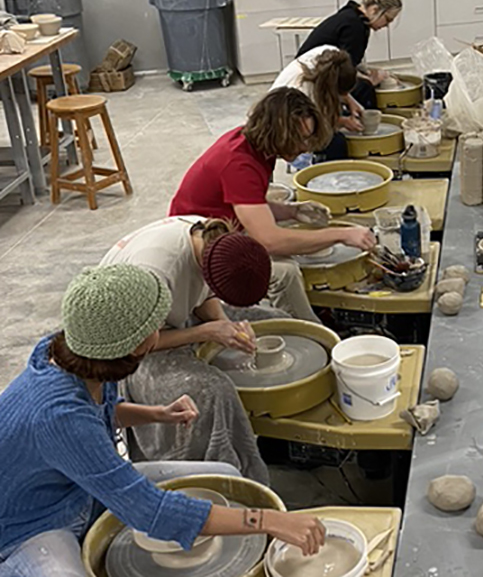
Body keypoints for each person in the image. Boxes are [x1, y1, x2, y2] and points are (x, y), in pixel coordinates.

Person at [0, 264, 326, 575]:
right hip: (32, 523)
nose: (161, 330)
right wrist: (267, 520)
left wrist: (157, 414)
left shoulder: (79, 354)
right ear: (128, 345)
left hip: (78, 489)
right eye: (154, 325)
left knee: (225, 473)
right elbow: (149, 511)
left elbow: (96, 413)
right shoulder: (58, 416)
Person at [169, 87, 377, 322]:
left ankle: (305, 313)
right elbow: (269, 240)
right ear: (278, 131)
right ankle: (314, 336)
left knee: (291, 235)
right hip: (197, 250)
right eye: (301, 138)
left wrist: (293, 211)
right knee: (284, 272)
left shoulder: (257, 145)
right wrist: (341, 234)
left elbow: (247, 203)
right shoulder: (240, 164)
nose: (306, 146)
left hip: (221, 228)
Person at [101, 217, 280, 483]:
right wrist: (206, 332)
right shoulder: (154, 272)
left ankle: (274, 442)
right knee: (213, 390)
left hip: (165, 317)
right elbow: (135, 344)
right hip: (125, 350)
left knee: (271, 319)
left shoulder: (209, 239)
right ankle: (234, 478)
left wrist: (225, 324)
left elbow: (203, 294)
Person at [296, 0, 403, 109]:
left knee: (366, 80)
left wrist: (371, 72)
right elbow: (346, 72)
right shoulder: (355, 26)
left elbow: (350, 62)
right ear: (374, 9)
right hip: (309, 77)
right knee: (364, 88)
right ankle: (364, 124)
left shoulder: (353, 15)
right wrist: (372, 79)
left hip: (318, 70)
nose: (387, 25)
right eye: (387, 19)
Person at [272, 45, 362, 161]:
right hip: (284, 126)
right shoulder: (303, 91)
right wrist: (343, 122)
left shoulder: (333, 56)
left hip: (303, 110)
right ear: (330, 88)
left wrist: (350, 101)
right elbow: (313, 124)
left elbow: (338, 82)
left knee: (362, 90)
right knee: (335, 143)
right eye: (340, 93)